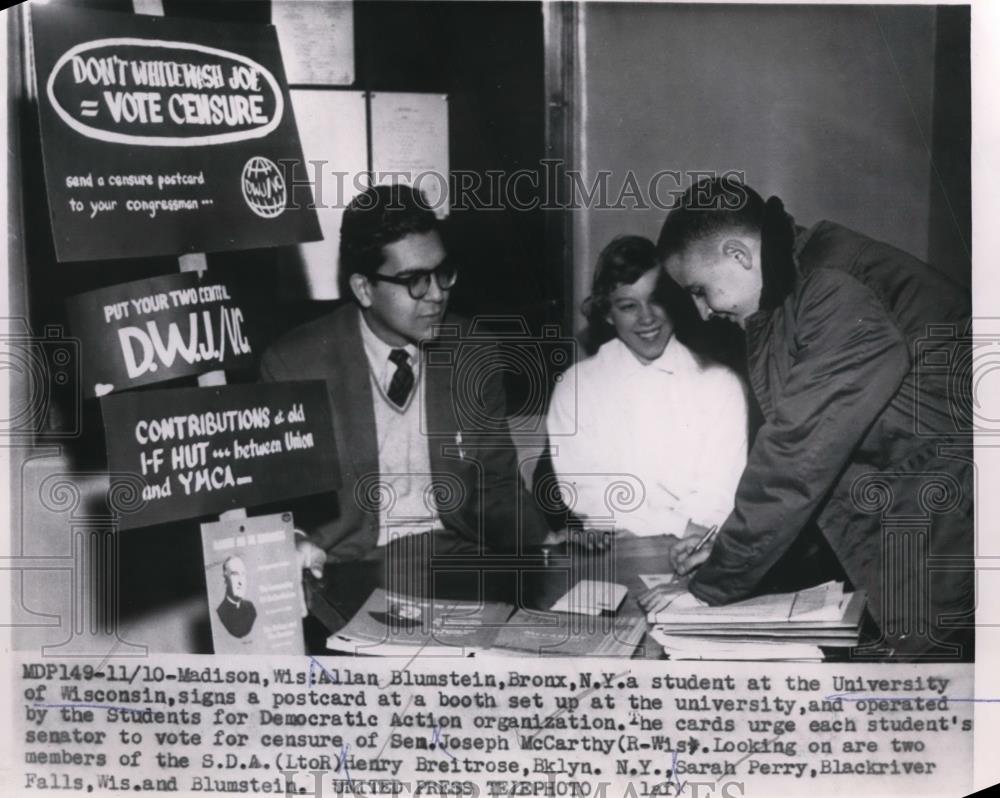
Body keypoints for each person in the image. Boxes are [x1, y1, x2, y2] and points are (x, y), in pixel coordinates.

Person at [644, 176, 973, 659]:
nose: (702, 310)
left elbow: (797, 458)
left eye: (699, 290)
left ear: (739, 255)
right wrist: (729, 549)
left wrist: (710, 590)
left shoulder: (832, 289)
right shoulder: (798, 287)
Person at [259, 184, 550, 579]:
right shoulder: (294, 364)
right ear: (364, 288)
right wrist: (292, 540)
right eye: (415, 280)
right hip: (348, 565)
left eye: (442, 273)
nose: (436, 295)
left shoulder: (473, 352)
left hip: (457, 556)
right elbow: (282, 505)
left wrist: (543, 540)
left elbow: (495, 483)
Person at [545, 235, 748, 545]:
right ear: (608, 314)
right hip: (612, 552)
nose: (647, 318)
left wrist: (678, 532)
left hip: (701, 548)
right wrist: (676, 525)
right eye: (628, 306)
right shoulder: (576, 388)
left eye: (655, 300)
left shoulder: (721, 384)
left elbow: (720, 496)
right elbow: (590, 498)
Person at [216, 556, 257, 639]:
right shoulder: (220, 612)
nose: (240, 582)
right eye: (235, 574)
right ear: (225, 579)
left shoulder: (251, 608)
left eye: (243, 574)